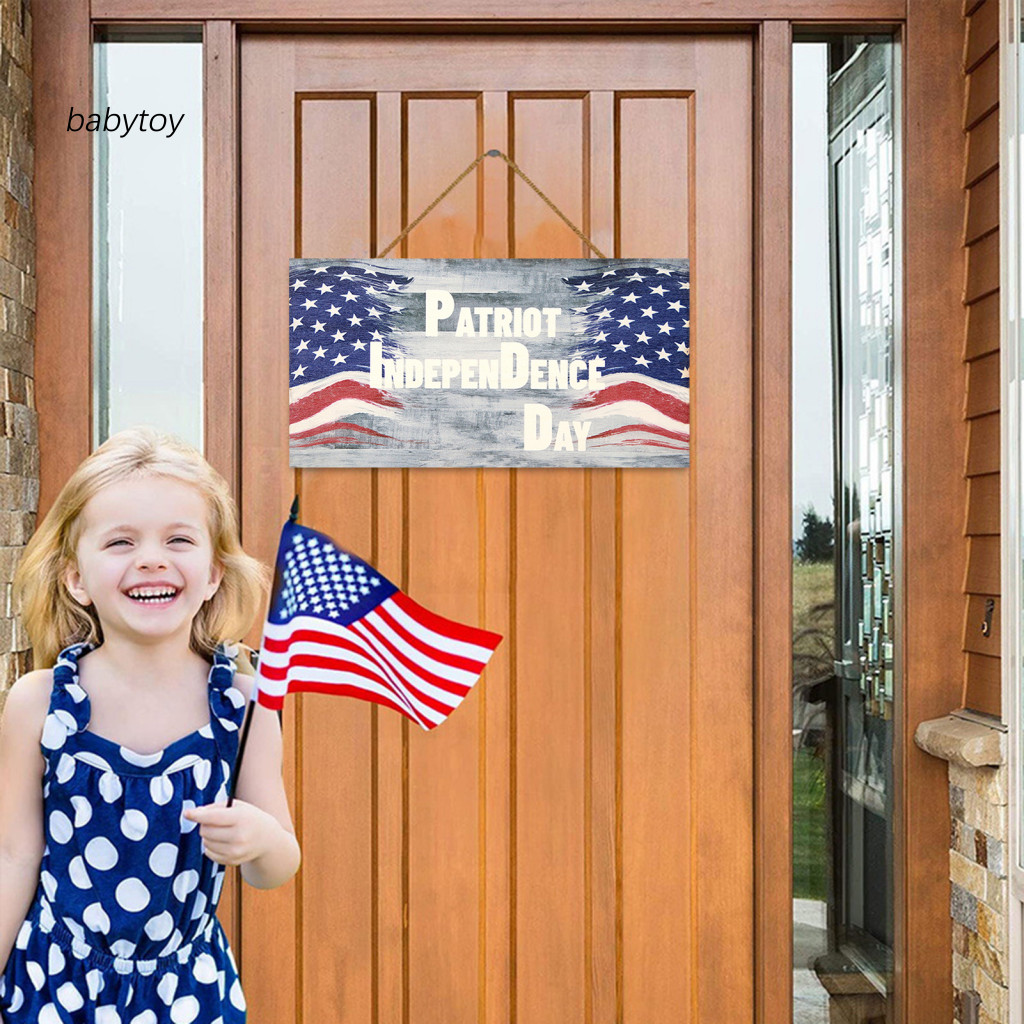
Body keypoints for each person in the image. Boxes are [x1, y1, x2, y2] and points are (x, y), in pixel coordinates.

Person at [0, 426, 300, 1023]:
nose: (152, 558)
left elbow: (279, 864)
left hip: (189, 994)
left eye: (179, 539)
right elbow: (12, 854)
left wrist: (260, 839)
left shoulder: (243, 708)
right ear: (76, 577)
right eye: (120, 542)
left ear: (214, 572)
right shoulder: (39, 704)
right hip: (52, 986)